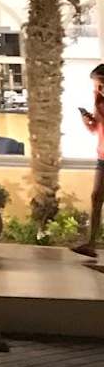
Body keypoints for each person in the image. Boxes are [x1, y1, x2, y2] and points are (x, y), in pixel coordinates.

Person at [72, 63, 104, 256]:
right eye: (96, 86)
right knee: (96, 197)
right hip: (102, 157)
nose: (99, 89)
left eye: (102, 84)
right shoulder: (99, 102)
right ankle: (91, 244)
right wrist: (88, 122)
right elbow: (96, 130)